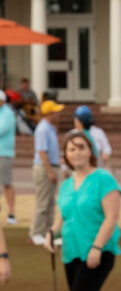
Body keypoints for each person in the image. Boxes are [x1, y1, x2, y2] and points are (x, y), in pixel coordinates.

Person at [42, 130, 121, 291]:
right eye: (71, 149)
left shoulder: (104, 180)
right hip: (72, 252)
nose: (76, 152)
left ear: (90, 151)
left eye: (81, 147)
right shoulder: (66, 185)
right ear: (65, 155)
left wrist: (97, 247)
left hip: (99, 252)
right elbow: (61, 219)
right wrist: (50, 234)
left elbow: (111, 218)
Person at [30, 100, 64, 245]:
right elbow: (42, 152)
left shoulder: (50, 127)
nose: (59, 113)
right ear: (50, 113)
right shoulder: (43, 129)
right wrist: (50, 171)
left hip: (51, 165)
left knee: (50, 201)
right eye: (56, 111)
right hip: (44, 167)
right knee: (43, 201)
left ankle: (48, 231)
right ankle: (36, 232)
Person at [0, 91, 16, 224]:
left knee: (6, 183)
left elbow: (1, 129)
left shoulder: (8, 113)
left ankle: (11, 213)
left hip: (3, 153)